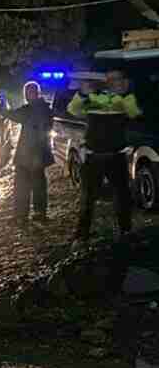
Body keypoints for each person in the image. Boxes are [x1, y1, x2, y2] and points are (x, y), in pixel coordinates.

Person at [67, 70, 142, 244]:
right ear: (106, 81)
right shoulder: (93, 97)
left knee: (123, 196)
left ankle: (125, 231)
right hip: (94, 156)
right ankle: (81, 235)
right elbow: (72, 109)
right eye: (113, 79)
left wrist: (125, 95)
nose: (117, 82)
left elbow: (134, 113)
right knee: (88, 198)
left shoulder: (124, 99)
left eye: (120, 79)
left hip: (117, 156)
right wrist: (82, 93)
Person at [0, 82, 54, 226]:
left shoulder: (35, 109)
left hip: (32, 154)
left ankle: (26, 215)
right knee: (34, 185)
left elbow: (13, 115)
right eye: (27, 93)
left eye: (30, 93)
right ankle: (32, 214)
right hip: (34, 154)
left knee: (26, 186)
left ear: (36, 93)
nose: (28, 96)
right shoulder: (42, 108)